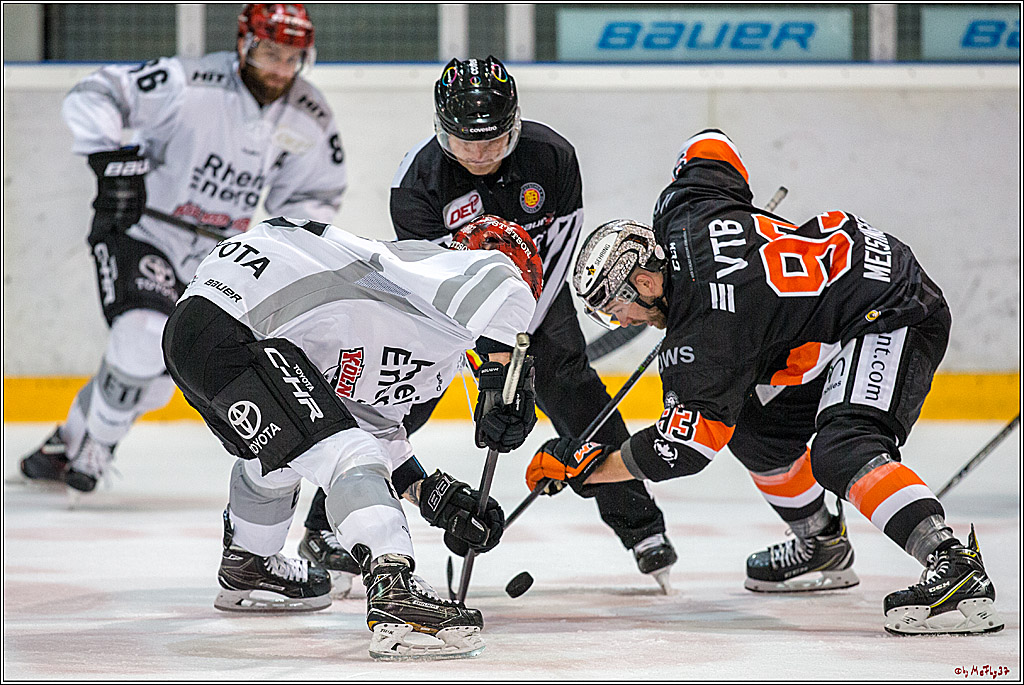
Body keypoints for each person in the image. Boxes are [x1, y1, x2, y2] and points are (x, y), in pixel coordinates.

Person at [525, 128, 1005, 636]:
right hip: (848, 292)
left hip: (893, 308)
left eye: (617, 309)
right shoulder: (683, 210)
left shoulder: (704, 340)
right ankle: (820, 545)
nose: (625, 322)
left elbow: (682, 449)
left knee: (845, 449)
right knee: (755, 424)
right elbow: (710, 144)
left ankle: (955, 567)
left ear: (645, 282)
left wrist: (590, 469)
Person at [298, 55, 677, 593]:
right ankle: (324, 526)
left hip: (537, 298)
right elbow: (435, 286)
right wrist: (493, 371)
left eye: (494, 142)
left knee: (576, 394)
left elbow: (560, 254)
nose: (479, 154)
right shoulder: (417, 182)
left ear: (515, 127)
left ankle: (641, 527)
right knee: (398, 402)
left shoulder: (552, 157)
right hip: (443, 311)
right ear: (440, 132)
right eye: (464, 143)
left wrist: (519, 348)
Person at [162, 214, 542, 659]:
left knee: (290, 450)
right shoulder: (444, 271)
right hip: (240, 320)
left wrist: (435, 496)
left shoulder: (428, 344)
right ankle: (395, 593)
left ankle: (251, 562)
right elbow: (504, 278)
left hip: (204, 335)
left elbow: (369, 423)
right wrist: (504, 375)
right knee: (347, 455)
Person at [20, 4, 347, 496]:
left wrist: (281, 239)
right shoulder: (187, 80)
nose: (280, 69)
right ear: (243, 43)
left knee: (163, 373)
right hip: (142, 228)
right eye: (270, 53)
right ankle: (96, 447)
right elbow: (96, 93)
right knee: (142, 336)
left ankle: (66, 440)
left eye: (292, 58)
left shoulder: (310, 114)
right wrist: (109, 155)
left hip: (217, 255)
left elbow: (317, 195)